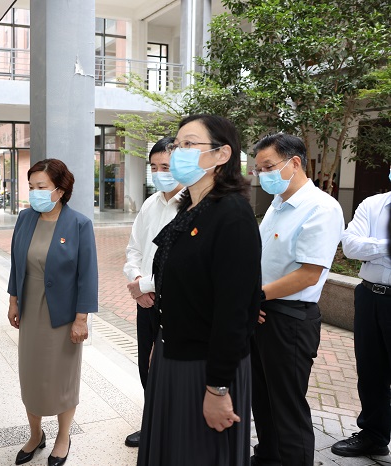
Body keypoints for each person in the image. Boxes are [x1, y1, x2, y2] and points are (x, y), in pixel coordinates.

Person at [137, 114, 262, 465]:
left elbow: (233, 312)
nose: (178, 152)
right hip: (174, 354)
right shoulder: (190, 209)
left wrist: (218, 388)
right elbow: (176, 290)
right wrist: (160, 341)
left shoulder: (232, 214)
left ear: (222, 154)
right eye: (178, 144)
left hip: (206, 367)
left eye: (189, 144)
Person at [250, 133, 344, 466]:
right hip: (262, 310)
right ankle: (267, 458)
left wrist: (255, 297)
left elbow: (308, 274)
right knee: (262, 399)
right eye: (259, 169)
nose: (262, 175)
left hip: (289, 318)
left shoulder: (321, 207)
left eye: (268, 167)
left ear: (294, 162)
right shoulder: (277, 205)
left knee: (287, 407)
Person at [7, 158, 98, 466]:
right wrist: (13, 300)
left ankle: (63, 436)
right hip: (31, 310)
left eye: (41, 187)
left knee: (62, 379)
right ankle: (36, 435)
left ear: (60, 190)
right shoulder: (25, 218)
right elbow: (16, 263)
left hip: (63, 316)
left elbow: (88, 275)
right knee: (31, 375)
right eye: (31, 186)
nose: (34, 193)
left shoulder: (79, 224)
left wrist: (81, 319)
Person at [122, 136, 182, 448]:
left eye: (166, 167)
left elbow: (183, 265)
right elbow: (134, 250)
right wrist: (137, 284)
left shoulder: (192, 206)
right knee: (146, 365)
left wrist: (144, 286)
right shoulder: (150, 203)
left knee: (170, 370)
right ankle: (152, 422)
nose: (159, 173)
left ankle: (172, 429)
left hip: (175, 305)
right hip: (144, 301)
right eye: (154, 167)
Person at [330, 169, 391, 458]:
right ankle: (374, 436)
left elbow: (362, 247)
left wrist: (373, 248)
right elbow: (351, 246)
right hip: (369, 296)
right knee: (370, 370)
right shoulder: (373, 204)